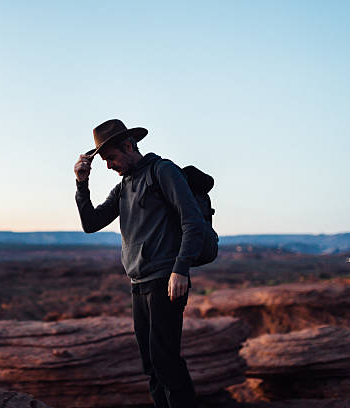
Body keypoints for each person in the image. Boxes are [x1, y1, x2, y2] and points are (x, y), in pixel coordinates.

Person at [74, 119, 205, 408]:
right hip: (139, 284)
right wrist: (82, 184)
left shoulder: (163, 171)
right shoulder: (123, 187)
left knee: (166, 362)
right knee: (151, 367)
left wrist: (180, 269)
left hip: (166, 280)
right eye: (104, 160)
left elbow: (192, 222)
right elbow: (91, 223)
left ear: (129, 145)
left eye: (112, 157)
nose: (108, 166)